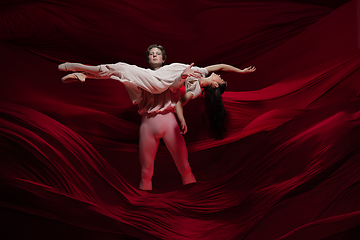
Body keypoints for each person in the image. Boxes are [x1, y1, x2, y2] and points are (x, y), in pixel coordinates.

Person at [58, 44, 255, 189]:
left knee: (185, 168)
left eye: (220, 80)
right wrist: (241, 71)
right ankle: (83, 74)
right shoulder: (200, 72)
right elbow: (220, 65)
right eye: (151, 54)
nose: (220, 76)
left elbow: (178, 96)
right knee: (120, 69)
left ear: (214, 85)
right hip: (148, 119)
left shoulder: (194, 88)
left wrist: (182, 105)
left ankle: (195, 203)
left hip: (166, 115)